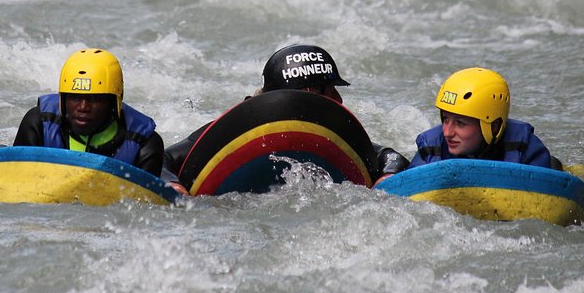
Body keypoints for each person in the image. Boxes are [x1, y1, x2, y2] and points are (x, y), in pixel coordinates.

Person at [164, 44, 409, 182]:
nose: (340, 99)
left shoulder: (334, 139)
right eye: (332, 90)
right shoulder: (230, 130)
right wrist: (173, 185)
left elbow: (391, 158)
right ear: (312, 93)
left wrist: (385, 179)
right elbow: (164, 160)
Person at [13, 48, 170, 179]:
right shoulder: (39, 123)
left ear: (113, 102)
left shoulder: (144, 144)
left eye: (94, 99)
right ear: (63, 99)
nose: (83, 107)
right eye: (74, 97)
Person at [408, 67, 561, 170]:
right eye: (446, 119)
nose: (447, 132)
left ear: (493, 127)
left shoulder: (526, 149)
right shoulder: (429, 150)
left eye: (461, 123)